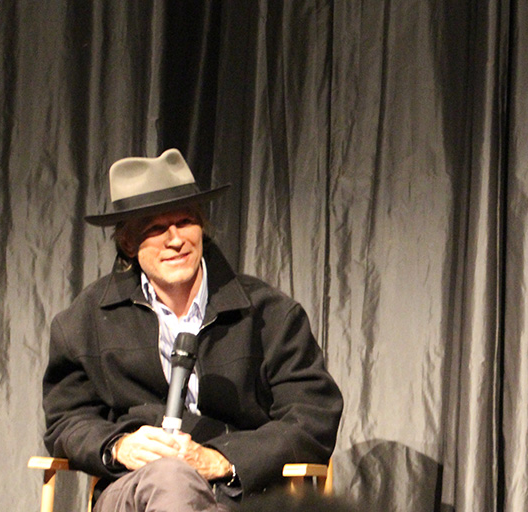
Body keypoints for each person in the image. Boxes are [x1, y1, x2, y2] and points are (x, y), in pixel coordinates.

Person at [41, 149, 343, 511]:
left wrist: (224, 459)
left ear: (202, 227)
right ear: (128, 243)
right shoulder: (85, 321)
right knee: (170, 478)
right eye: (155, 228)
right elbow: (66, 421)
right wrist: (119, 445)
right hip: (137, 491)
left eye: (184, 222)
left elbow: (313, 415)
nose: (175, 239)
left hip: (245, 494)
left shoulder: (268, 313)